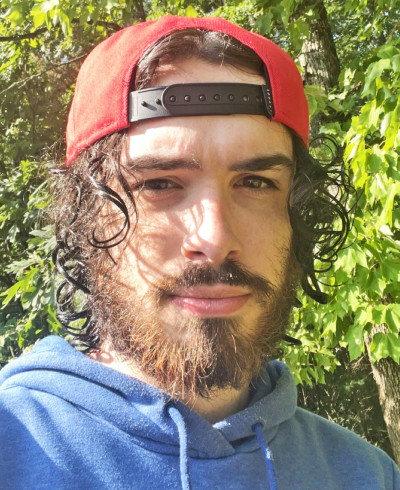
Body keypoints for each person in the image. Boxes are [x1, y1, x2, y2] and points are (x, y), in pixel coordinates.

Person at [0, 15, 398, 490]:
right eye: (159, 184)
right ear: (86, 217)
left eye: (256, 182)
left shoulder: (367, 474)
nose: (214, 238)